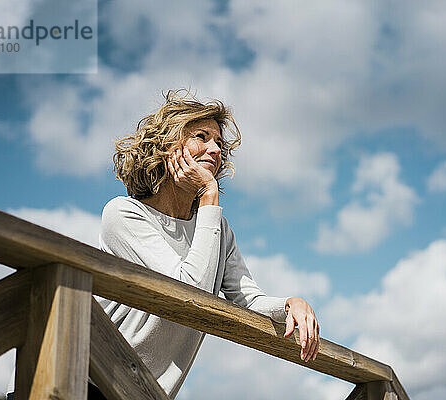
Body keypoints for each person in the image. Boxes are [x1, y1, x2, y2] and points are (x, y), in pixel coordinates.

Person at [96, 89, 321, 398]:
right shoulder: (124, 214)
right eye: (202, 137)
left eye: (218, 142)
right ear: (167, 146)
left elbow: (247, 300)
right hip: (87, 377)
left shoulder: (218, 229)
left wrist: (289, 304)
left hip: (146, 393)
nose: (215, 150)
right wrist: (208, 195)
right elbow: (189, 295)